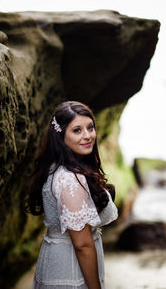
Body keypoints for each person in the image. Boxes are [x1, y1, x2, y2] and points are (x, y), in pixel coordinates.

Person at [26, 101, 118, 289]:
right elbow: (82, 245)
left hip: (56, 260)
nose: (87, 136)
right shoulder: (70, 179)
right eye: (77, 130)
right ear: (61, 136)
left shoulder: (54, 167)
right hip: (71, 268)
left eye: (90, 128)